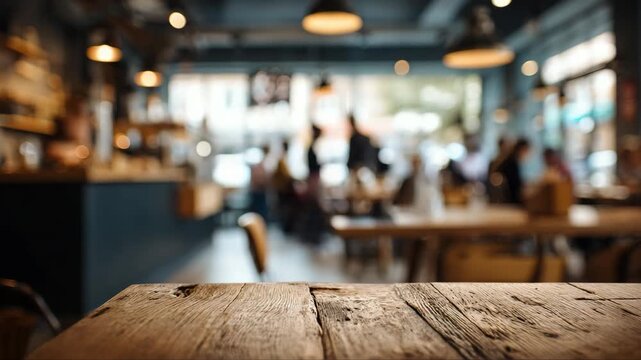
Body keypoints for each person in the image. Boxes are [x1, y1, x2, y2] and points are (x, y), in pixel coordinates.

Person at [496, 138, 531, 205]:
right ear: (522, 148)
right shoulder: (512, 162)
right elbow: (515, 185)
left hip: (507, 200)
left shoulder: (510, 160)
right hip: (511, 201)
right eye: (526, 150)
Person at [249, 145, 271, 221]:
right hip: (258, 191)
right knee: (259, 212)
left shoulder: (264, 163)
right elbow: (258, 179)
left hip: (260, 191)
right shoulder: (260, 164)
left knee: (261, 211)